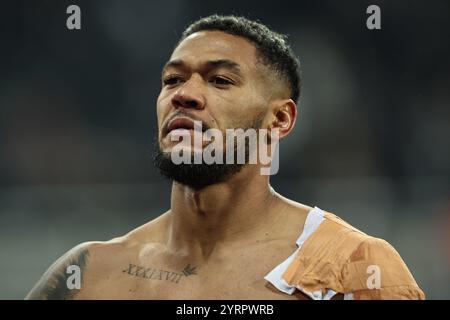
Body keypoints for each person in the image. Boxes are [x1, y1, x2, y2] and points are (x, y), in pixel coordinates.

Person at [26, 15, 425, 300]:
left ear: (281, 118)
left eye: (220, 80)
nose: (184, 94)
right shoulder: (88, 273)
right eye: (173, 79)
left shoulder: (353, 269)